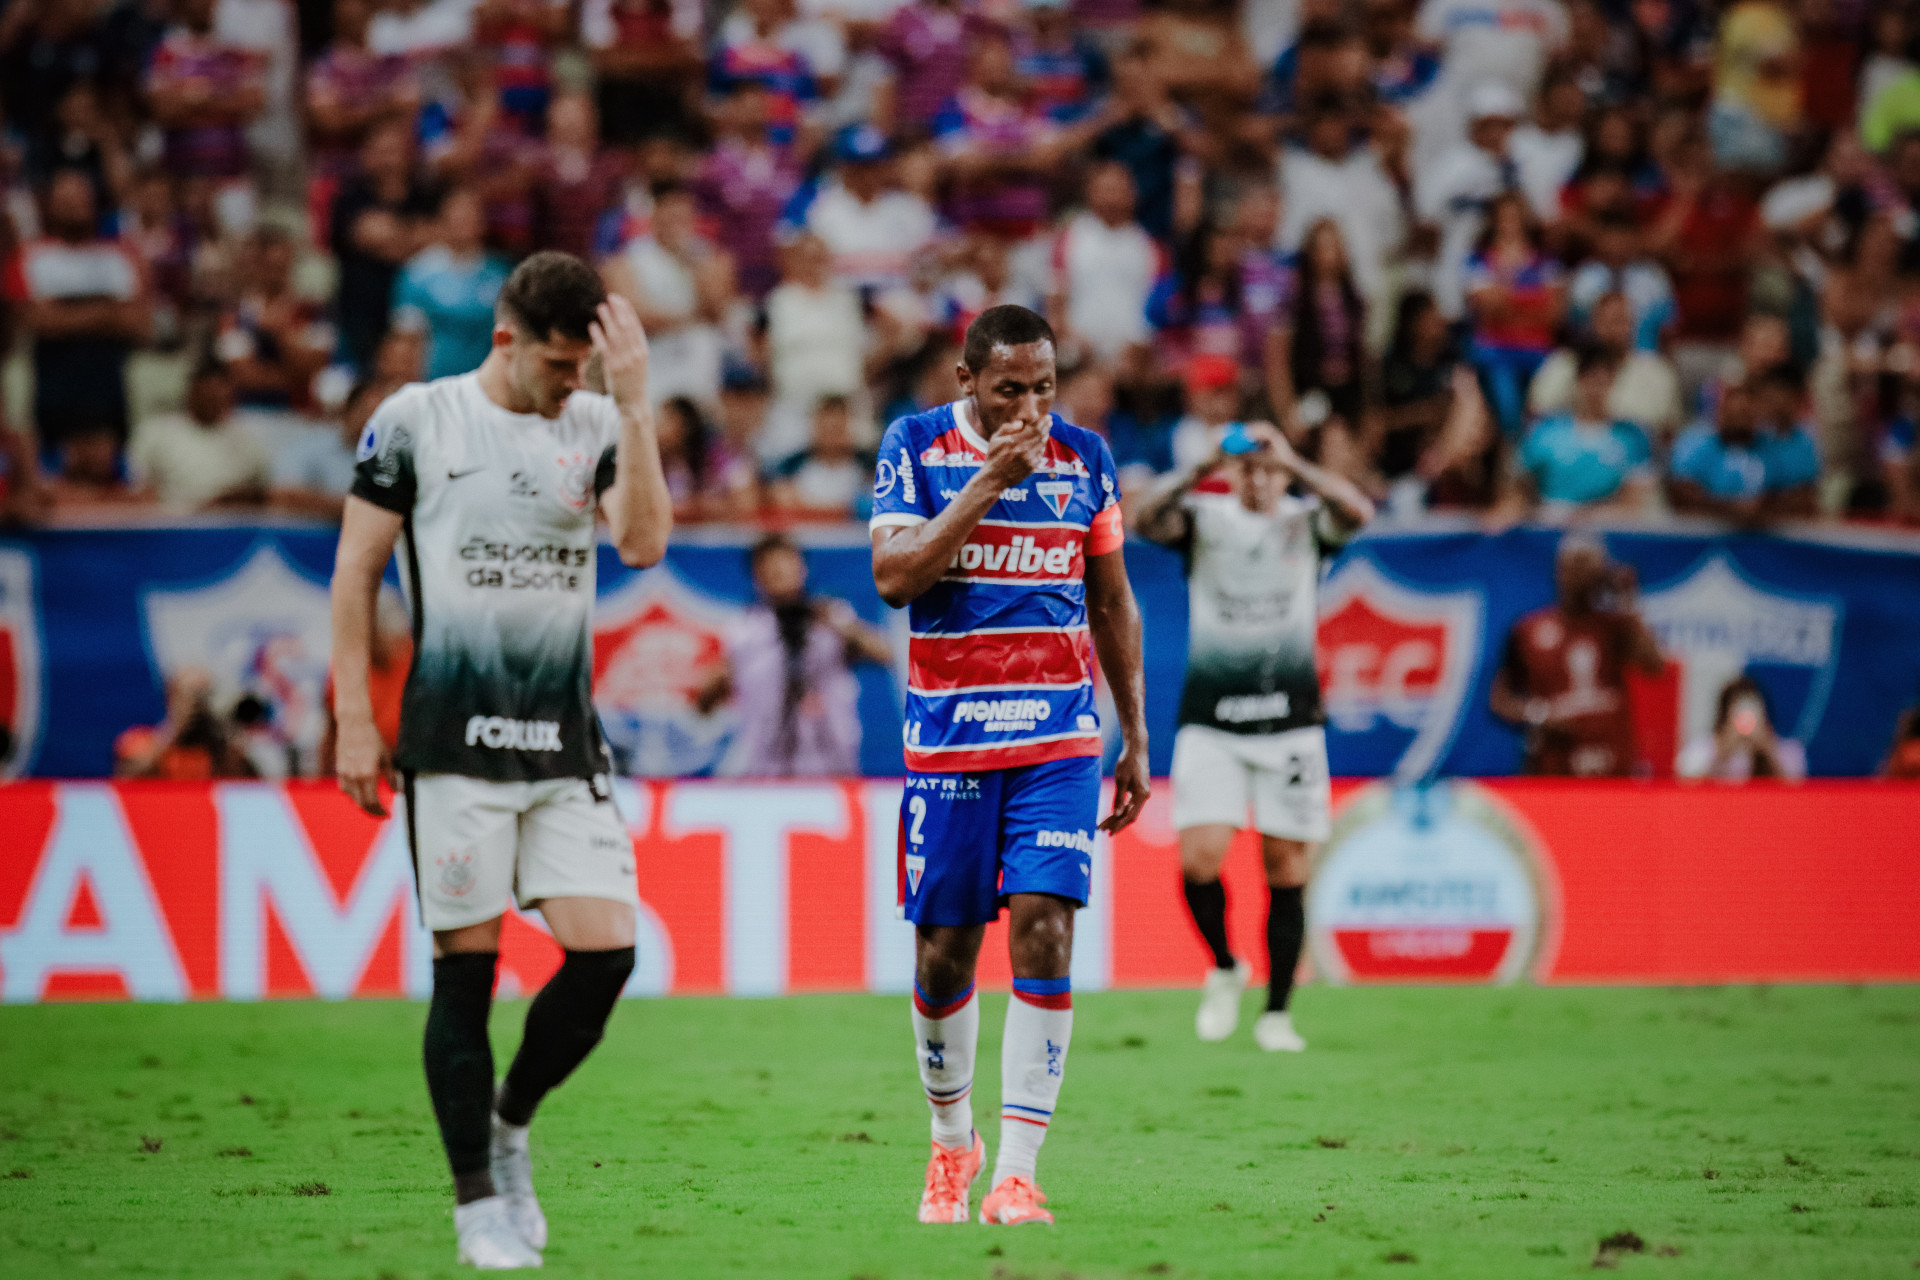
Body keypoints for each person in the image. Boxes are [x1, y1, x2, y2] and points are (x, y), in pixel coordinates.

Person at [329, 254, 672, 1268]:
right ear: (506, 339)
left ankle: (510, 1123)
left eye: (585, 368)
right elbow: (354, 572)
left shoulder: (598, 423)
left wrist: (635, 405)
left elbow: (644, 545)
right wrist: (355, 714)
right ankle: (476, 1200)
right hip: (453, 743)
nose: (574, 383)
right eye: (561, 366)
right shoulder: (416, 419)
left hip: (563, 741)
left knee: (609, 953)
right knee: (465, 974)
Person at [869, 305, 1150, 1227]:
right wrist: (989, 481)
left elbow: (1112, 602)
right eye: (1008, 390)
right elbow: (897, 578)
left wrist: (1135, 737)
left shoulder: (1088, 461)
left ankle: (1019, 1173)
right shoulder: (914, 446)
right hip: (950, 742)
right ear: (966, 383)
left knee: (1044, 928)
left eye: (1044, 388)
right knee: (946, 957)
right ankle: (955, 1147)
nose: (1031, 408)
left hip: (1058, 741)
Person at [1132, 419, 1373, 1051]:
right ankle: (1224, 964)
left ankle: (1276, 1014)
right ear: (1232, 472)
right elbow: (1141, 518)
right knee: (1199, 860)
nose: (1259, 479)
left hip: (1289, 723)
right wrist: (1200, 466)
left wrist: (1294, 460)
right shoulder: (1206, 521)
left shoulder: (1306, 522)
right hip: (1212, 721)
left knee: (1286, 867)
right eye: (1249, 468)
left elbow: (1359, 511)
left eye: (1269, 469)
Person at [698, 532, 890, 776]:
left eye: (785, 563)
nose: (778, 572)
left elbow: (886, 654)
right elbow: (706, 700)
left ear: (802, 568)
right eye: (768, 565)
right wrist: (722, 680)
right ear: (756, 574)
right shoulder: (743, 630)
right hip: (765, 768)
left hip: (832, 764)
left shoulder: (832, 617)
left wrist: (838, 626)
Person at [1489, 534, 1664, 778]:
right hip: (1554, 764)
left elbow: (1654, 664)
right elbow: (1500, 699)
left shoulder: (1615, 626)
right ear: (1558, 569)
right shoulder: (1529, 630)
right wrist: (1539, 715)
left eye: (1588, 564)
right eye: (1574, 563)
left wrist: (1626, 600)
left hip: (1612, 762)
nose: (1579, 573)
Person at [5, 169, 152, 458]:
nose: (74, 206)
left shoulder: (121, 257)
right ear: (49, 205)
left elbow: (140, 324)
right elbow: (37, 322)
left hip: (109, 393)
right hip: (52, 393)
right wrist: (109, 312)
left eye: (80, 198)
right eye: (65, 200)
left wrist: (65, 314)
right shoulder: (30, 257)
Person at [1507, 347, 1656, 517]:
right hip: (1549, 526)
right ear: (1579, 379)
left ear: (1613, 381)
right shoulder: (1545, 431)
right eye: (1591, 377)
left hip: (1607, 529)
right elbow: (1520, 486)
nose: (1597, 387)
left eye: (1604, 379)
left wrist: (1586, 516)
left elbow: (1632, 502)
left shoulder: (1633, 436)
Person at [391, 187, 512, 381]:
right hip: (434, 382)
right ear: (441, 222)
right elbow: (407, 339)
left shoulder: (500, 274)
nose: (463, 223)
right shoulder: (417, 273)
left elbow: (510, 336)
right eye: (456, 217)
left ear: (482, 223)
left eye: (470, 216)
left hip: (485, 382)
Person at [127, 362, 273, 511]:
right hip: (171, 523)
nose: (212, 398)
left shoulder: (247, 440)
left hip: (231, 523)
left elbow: (265, 494)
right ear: (191, 392)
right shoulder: (156, 432)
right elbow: (135, 490)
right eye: (206, 392)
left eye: (218, 392)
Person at [1676, 674, 1807, 782]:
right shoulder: (1702, 748)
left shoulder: (1789, 750)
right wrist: (1722, 751)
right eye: (1738, 713)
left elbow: (1798, 789)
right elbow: (1685, 782)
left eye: (1752, 711)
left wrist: (1767, 751)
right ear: (1725, 715)